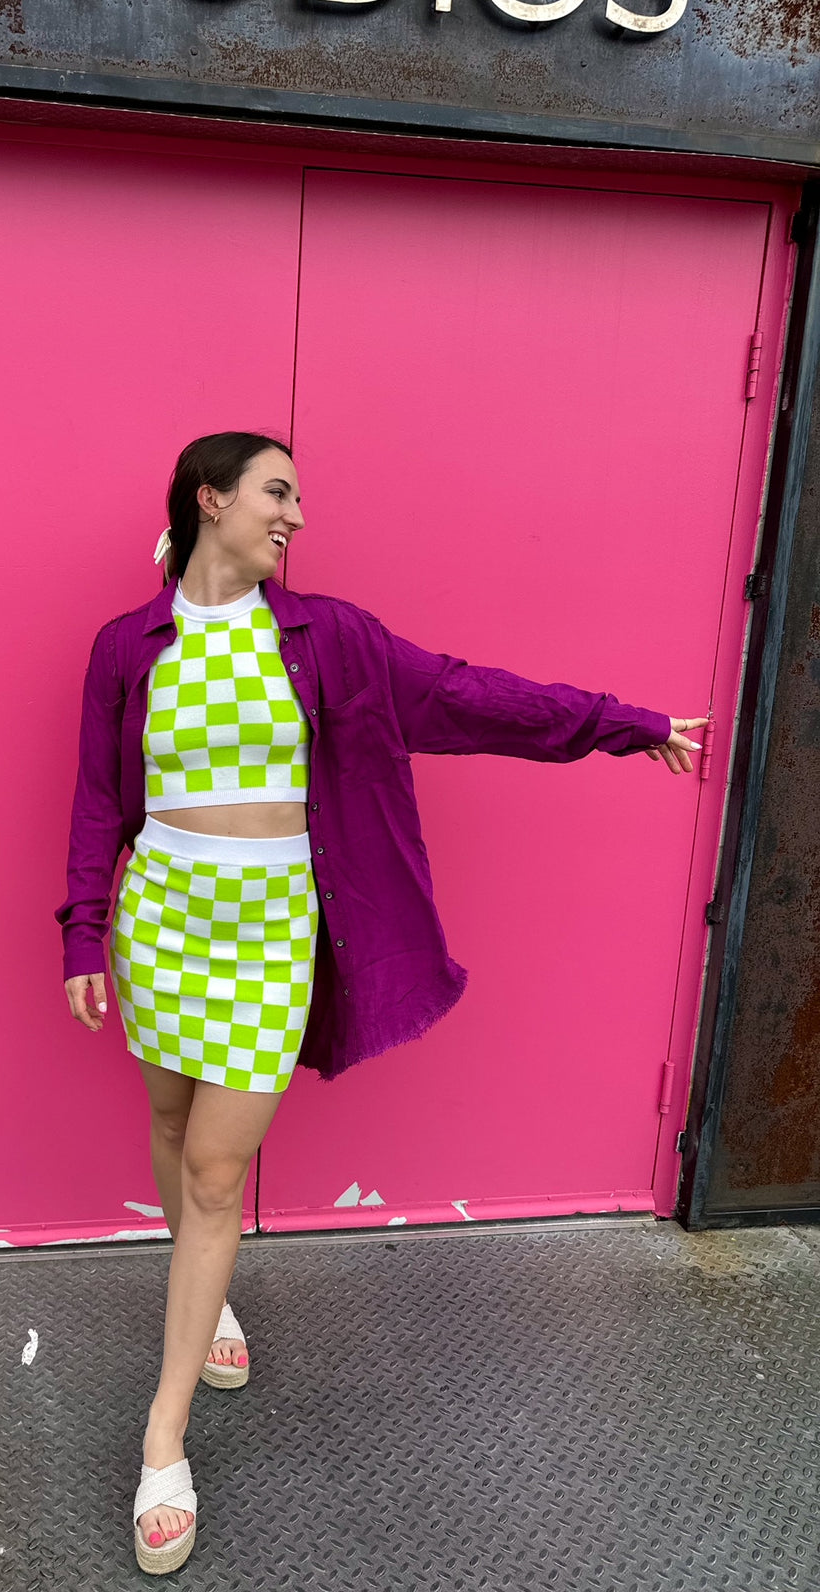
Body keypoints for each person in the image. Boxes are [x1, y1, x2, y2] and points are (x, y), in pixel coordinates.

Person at [56, 430, 707, 1574]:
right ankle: (208, 1302)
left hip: (271, 936)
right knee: (168, 1120)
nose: (296, 515)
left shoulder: (330, 639)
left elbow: (467, 697)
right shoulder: (128, 645)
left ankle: (163, 1436)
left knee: (214, 1172)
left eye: (297, 497)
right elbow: (99, 797)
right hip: (160, 925)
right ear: (210, 500)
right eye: (277, 492)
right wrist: (83, 931)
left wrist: (624, 724)